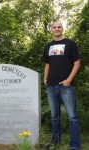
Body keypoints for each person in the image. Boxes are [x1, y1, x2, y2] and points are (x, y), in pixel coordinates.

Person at [43, 21, 81, 150]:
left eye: (59, 27)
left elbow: (77, 63)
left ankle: (74, 145)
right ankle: (55, 142)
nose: (57, 29)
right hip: (51, 86)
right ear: (51, 30)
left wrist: (69, 80)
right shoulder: (48, 46)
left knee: (73, 117)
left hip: (66, 86)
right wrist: (45, 78)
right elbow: (47, 64)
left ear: (62, 29)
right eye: (54, 27)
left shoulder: (70, 44)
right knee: (54, 117)